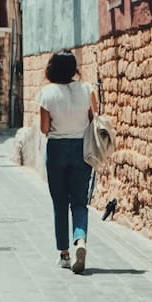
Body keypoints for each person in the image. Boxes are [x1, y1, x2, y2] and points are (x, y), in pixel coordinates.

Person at [37, 50, 97, 274]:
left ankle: (64, 254)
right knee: (79, 201)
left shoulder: (47, 93)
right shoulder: (87, 89)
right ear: (74, 68)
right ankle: (80, 239)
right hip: (82, 148)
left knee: (60, 202)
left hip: (57, 148)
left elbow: (44, 128)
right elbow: (94, 118)